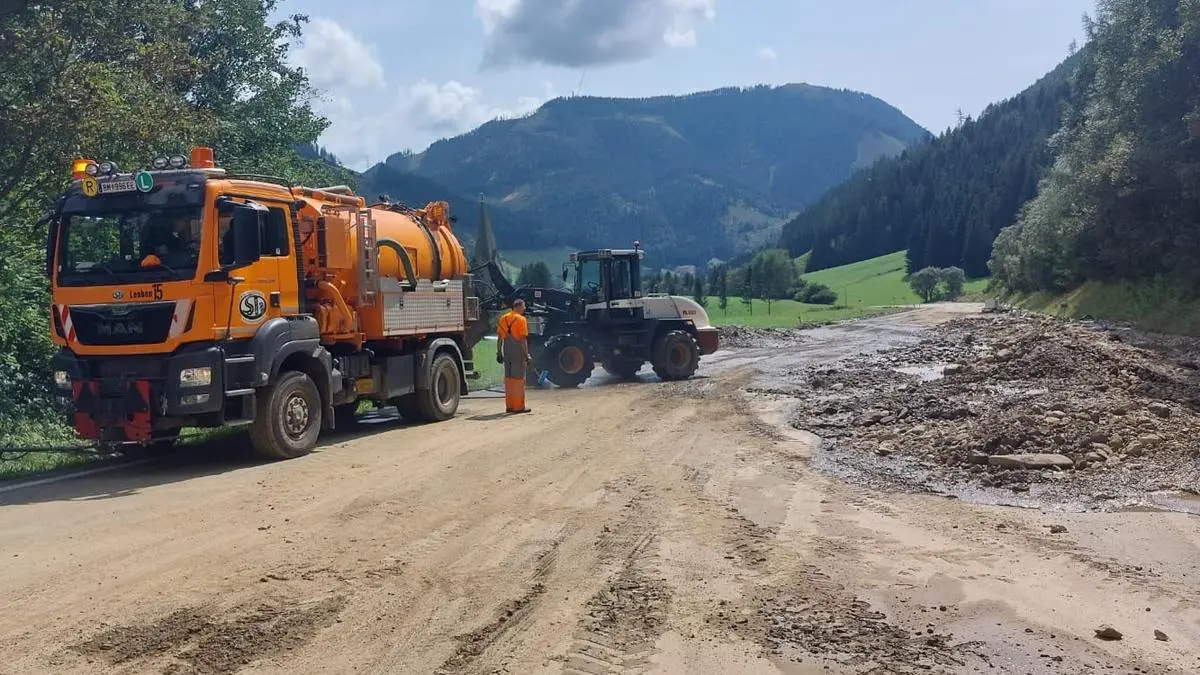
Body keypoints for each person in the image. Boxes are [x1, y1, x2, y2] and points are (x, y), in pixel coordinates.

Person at [496, 298, 532, 414]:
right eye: (524, 306)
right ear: (519, 307)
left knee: (509, 379)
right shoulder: (521, 319)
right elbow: (522, 340)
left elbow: (500, 338)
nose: (525, 308)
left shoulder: (503, 318)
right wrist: (527, 355)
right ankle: (519, 407)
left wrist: (499, 353)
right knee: (518, 380)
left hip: (507, 352)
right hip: (518, 353)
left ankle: (509, 406)